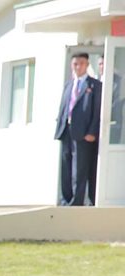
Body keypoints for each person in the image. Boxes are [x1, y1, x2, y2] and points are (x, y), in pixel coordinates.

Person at [55, 52, 102, 206]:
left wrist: (92, 132)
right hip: (66, 131)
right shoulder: (68, 85)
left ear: (87, 65)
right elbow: (64, 108)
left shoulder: (94, 85)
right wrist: (59, 127)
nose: (78, 66)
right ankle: (65, 199)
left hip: (84, 134)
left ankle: (77, 201)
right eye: (75, 63)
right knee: (66, 166)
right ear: (71, 65)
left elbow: (97, 111)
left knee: (79, 170)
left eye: (81, 63)